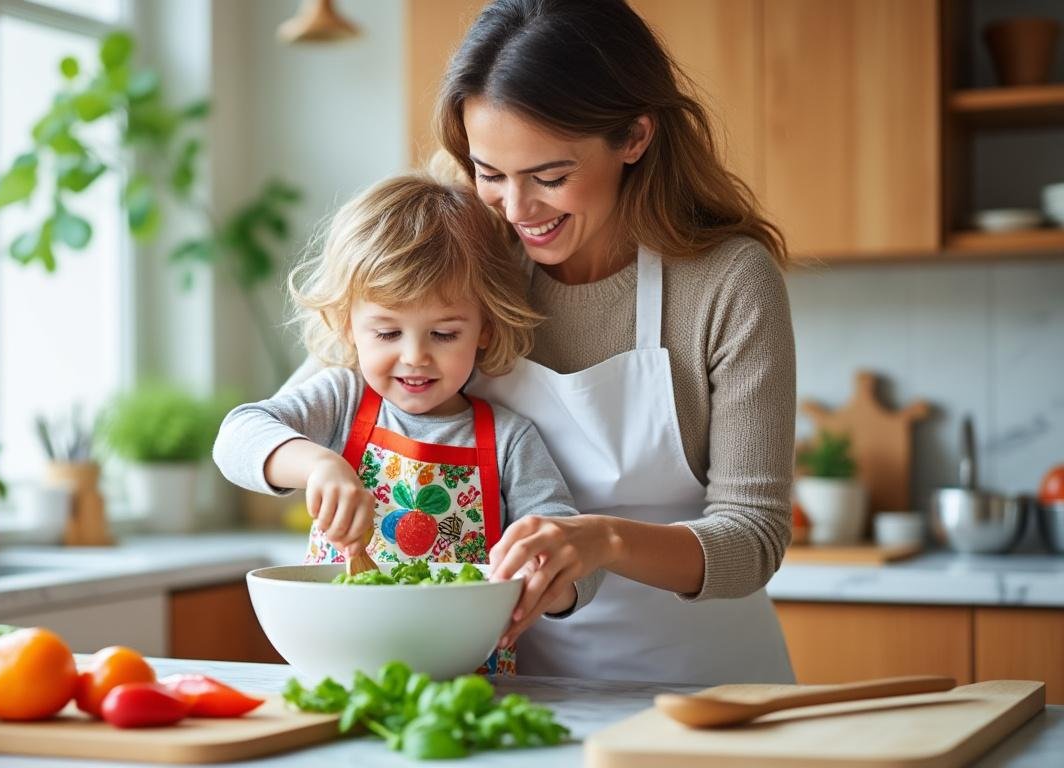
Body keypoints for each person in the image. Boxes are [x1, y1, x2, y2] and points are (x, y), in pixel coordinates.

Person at [432, 0, 798, 684]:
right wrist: (309, 464)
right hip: (523, 694)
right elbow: (288, 413)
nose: (517, 210)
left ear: (633, 136)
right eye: (489, 174)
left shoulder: (726, 282)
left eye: (550, 176)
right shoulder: (466, 264)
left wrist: (602, 539)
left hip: (709, 697)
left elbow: (754, 539)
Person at [212, 174, 603, 675]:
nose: (415, 357)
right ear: (348, 325)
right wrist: (316, 466)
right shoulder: (344, 398)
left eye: (443, 333)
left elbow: (571, 554)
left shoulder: (509, 439)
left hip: (465, 678)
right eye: (388, 332)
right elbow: (236, 436)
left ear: (484, 329)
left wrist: (547, 577)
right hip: (341, 662)